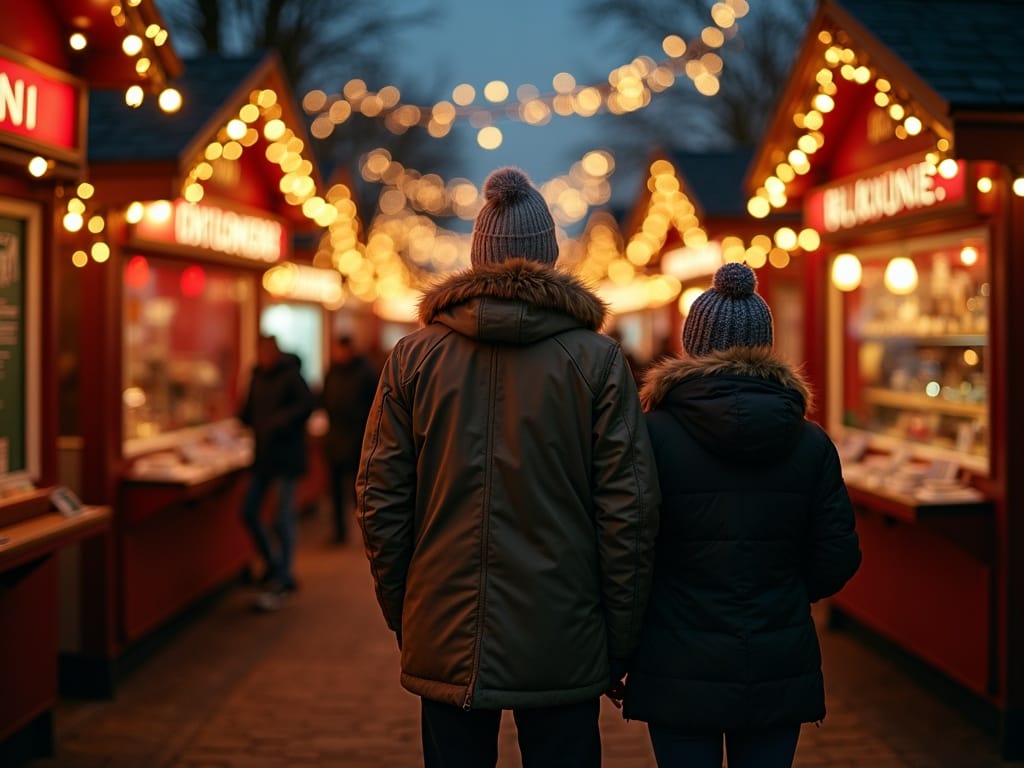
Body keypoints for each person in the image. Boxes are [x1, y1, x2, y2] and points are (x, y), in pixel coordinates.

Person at [356, 167, 660, 768]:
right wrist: (620, 638)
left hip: (444, 621)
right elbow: (629, 510)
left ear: (477, 257)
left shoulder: (414, 358)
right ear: (548, 257)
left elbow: (380, 500)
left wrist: (408, 612)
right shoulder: (597, 361)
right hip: (565, 629)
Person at [619, 262, 862, 768]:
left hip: (675, 657)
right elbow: (838, 554)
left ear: (693, 344)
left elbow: (628, 545)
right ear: (765, 345)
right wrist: (787, 589)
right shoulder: (810, 442)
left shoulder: (650, 436)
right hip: (777, 654)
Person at [239, 334, 315, 611]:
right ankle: (273, 564)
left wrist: (282, 421)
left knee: (282, 519)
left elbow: (308, 404)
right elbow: (248, 412)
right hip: (262, 457)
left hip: (286, 457)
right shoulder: (256, 376)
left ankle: (283, 576)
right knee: (248, 512)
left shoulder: (291, 375)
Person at [320, 334, 377, 543]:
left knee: (359, 490)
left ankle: (366, 531)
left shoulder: (365, 373)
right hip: (335, 439)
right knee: (335, 491)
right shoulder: (332, 372)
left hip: (357, 439)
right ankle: (339, 532)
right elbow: (324, 399)